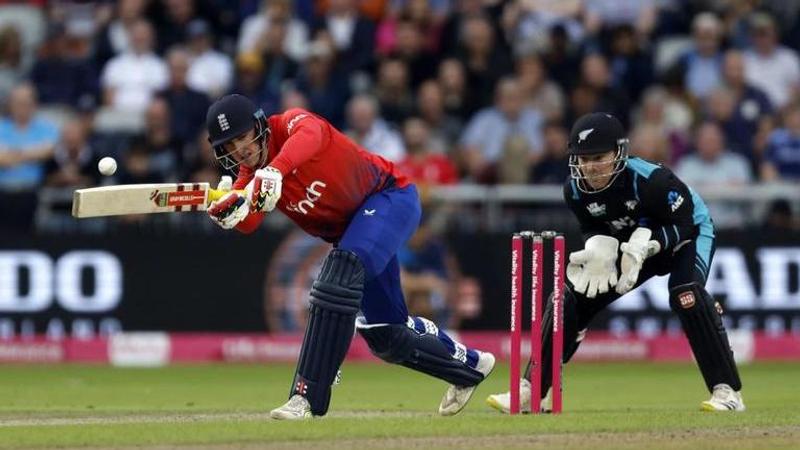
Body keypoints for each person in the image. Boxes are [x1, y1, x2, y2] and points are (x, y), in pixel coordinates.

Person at [203, 94, 495, 420]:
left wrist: (276, 170)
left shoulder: (290, 124)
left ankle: (306, 397)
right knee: (386, 336)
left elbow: (311, 135)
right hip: (357, 232)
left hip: (388, 198)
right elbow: (250, 221)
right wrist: (228, 211)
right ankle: (469, 368)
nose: (240, 149)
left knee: (337, 275)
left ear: (258, 125)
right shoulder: (249, 175)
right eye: (230, 145)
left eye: (243, 136)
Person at [487, 112, 744, 413]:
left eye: (598, 157)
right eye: (583, 159)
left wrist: (652, 244)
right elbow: (592, 225)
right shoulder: (574, 190)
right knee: (568, 298)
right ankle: (533, 388)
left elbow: (687, 223)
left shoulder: (652, 180)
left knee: (686, 294)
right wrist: (598, 246)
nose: (590, 167)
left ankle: (727, 392)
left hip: (686, 236)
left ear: (618, 152)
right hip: (631, 247)